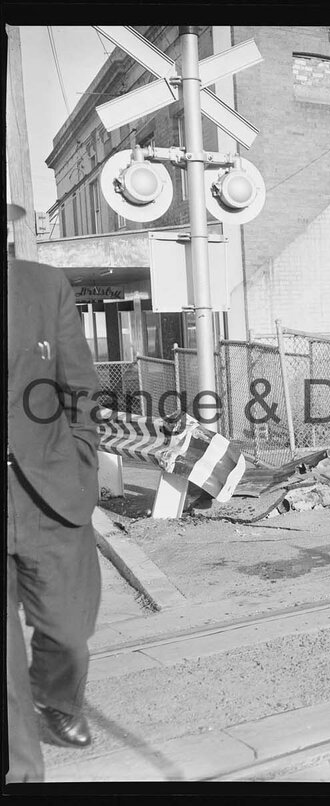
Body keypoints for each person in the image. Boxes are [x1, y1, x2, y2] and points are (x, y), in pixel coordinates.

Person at [6, 203, 103, 782]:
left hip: (48, 490)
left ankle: (58, 698)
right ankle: (22, 771)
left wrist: (82, 463)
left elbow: (80, 387)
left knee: (69, 630)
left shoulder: (44, 285)